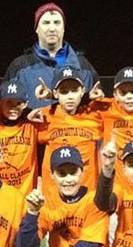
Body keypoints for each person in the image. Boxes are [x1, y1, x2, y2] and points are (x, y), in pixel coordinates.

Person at [0, 78, 40, 247]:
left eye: (18, 103)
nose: (13, 107)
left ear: (25, 104)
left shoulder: (33, 126)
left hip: (24, 199)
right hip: (0, 199)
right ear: (0, 103)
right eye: (8, 102)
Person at [4, 2, 99, 109]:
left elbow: (95, 108)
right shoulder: (19, 66)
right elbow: (6, 107)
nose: (52, 28)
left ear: (63, 28)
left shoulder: (83, 65)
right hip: (32, 125)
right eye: (46, 23)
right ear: (36, 29)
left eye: (57, 23)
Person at [30, 66, 103, 203]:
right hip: (54, 199)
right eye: (64, 92)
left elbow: (123, 107)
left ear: (82, 91)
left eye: (74, 91)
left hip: (87, 196)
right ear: (56, 94)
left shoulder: (94, 115)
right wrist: (25, 113)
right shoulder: (45, 115)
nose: (70, 96)